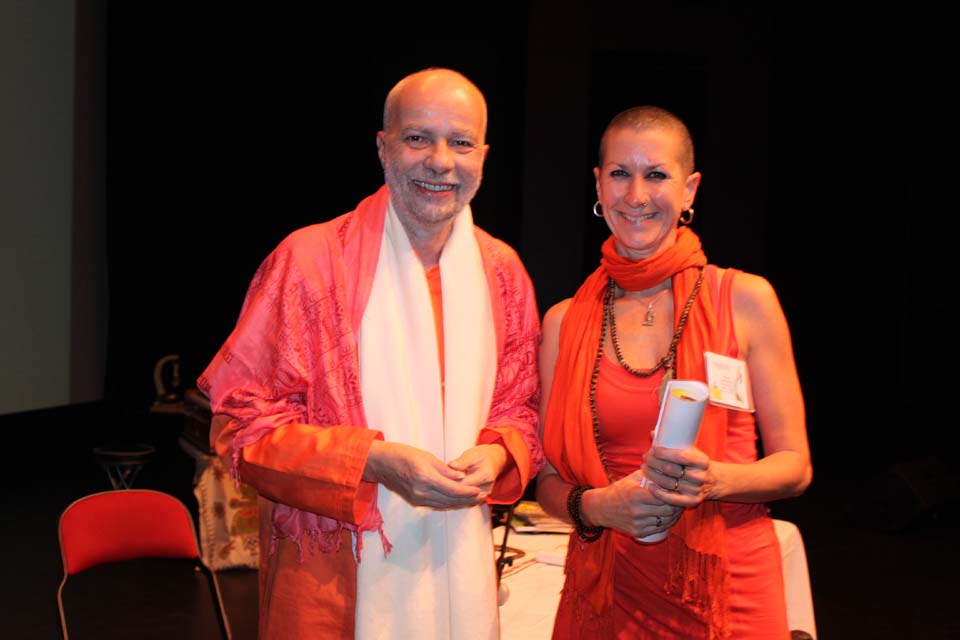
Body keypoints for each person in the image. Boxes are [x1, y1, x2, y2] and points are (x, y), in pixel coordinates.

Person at [198, 67, 544, 639]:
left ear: (483, 156)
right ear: (383, 148)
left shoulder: (501, 274)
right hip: (329, 578)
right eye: (418, 138)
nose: (441, 161)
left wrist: (496, 455)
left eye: (460, 142)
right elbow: (242, 426)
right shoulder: (310, 262)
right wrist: (371, 462)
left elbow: (519, 409)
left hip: (457, 568)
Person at [535, 105, 812, 639]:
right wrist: (599, 506)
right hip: (608, 591)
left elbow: (795, 467)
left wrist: (713, 480)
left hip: (728, 592)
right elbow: (549, 482)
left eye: (657, 174)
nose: (636, 195)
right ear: (599, 184)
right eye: (620, 173)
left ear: (689, 190)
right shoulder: (565, 322)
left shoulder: (745, 300)